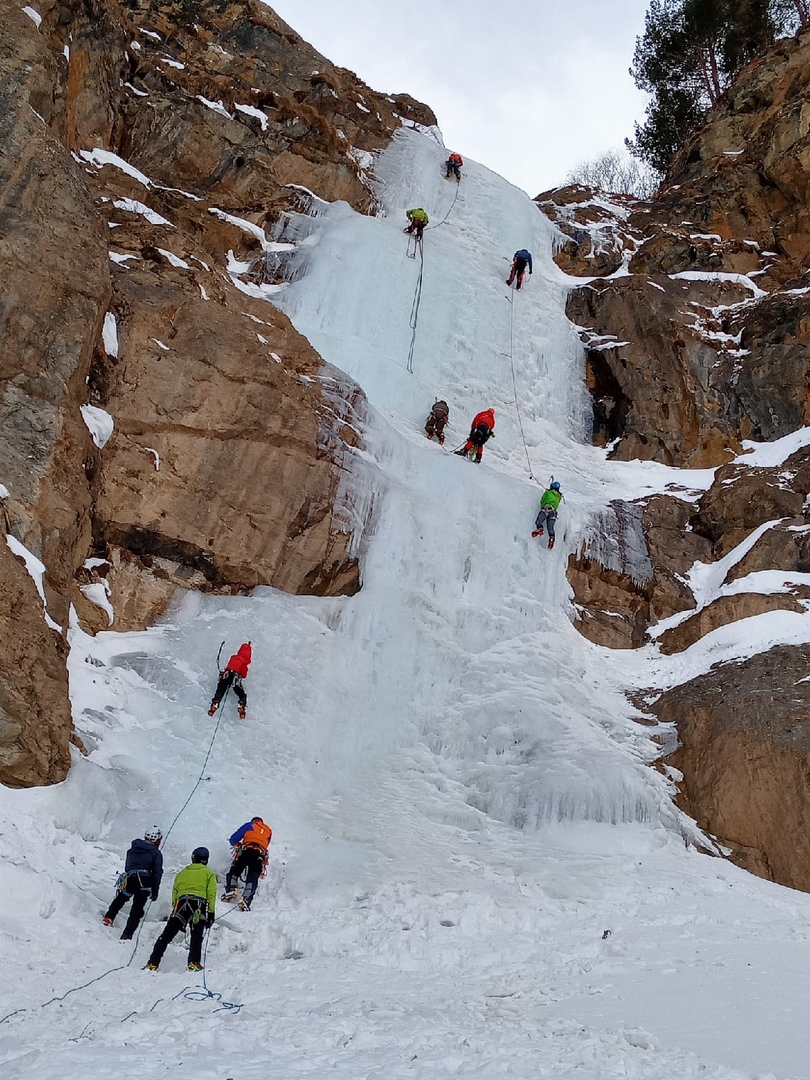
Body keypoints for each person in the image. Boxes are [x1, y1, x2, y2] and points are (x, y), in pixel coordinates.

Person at [145, 847, 217, 972]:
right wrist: (211, 912)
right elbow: (211, 893)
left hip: (181, 903)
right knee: (196, 936)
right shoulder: (209, 873)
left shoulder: (182, 873)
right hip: (199, 905)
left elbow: (175, 891)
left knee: (166, 935)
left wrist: (175, 906)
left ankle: (153, 963)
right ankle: (193, 963)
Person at [103, 826, 163, 940]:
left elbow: (128, 866)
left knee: (121, 898)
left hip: (130, 878)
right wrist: (155, 891)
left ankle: (109, 917)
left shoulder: (133, 849)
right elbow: (157, 872)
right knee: (137, 908)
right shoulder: (156, 853)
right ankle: (127, 934)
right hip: (144, 881)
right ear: (157, 840)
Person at [222, 816, 273, 911]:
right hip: (259, 855)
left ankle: (232, 889)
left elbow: (233, 839)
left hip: (246, 851)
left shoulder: (250, 825)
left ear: (253, 821)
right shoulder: (268, 830)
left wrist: (237, 844)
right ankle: (246, 899)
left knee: (235, 871)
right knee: (253, 876)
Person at [209, 641, 251, 719]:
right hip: (235, 677)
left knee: (220, 690)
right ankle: (241, 704)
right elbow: (244, 675)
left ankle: (216, 702)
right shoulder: (244, 662)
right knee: (242, 694)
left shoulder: (233, 657)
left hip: (227, 674)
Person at [532, 480, 563, 550]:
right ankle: (552, 538)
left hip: (546, 508)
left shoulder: (548, 492)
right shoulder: (559, 496)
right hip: (553, 512)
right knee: (550, 528)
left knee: (539, 521)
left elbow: (542, 500)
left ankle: (540, 528)